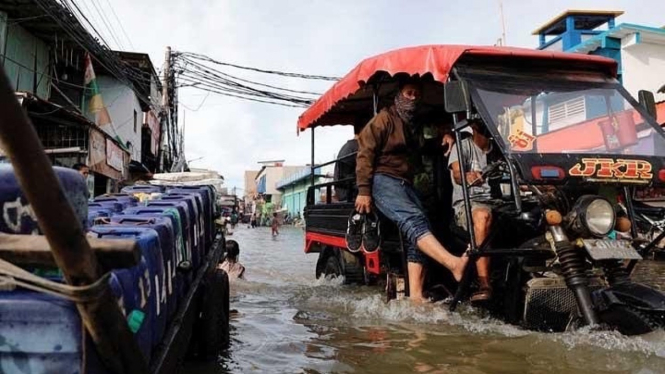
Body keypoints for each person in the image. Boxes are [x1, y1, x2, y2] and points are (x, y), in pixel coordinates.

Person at [354, 76, 467, 303]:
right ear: (398, 95)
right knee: (414, 219)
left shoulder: (410, 125)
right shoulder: (383, 120)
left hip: (404, 182)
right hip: (382, 179)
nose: (413, 98)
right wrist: (364, 190)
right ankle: (453, 263)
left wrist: (443, 139)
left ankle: (415, 296)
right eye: (409, 93)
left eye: (416, 94)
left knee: (419, 226)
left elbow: (421, 148)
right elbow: (365, 154)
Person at [448, 120, 500, 301]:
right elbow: (457, 174)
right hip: (469, 204)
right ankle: (484, 283)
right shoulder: (462, 146)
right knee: (482, 216)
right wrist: (467, 175)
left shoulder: (501, 150)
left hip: (502, 203)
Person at [334, 119, 366, 202]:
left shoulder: (349, 146)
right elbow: (345, 176)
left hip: (346, 190)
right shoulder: (356, 148)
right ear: (363, 129)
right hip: (349, 193)